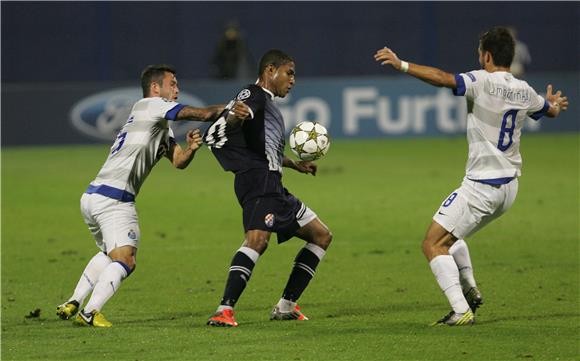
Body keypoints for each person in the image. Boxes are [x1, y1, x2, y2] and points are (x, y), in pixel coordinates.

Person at [374, 26, 568, 326]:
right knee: (452, 236)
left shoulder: (481, 80)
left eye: (480, 53)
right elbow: (549, 110)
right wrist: (554, 103)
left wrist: (402, 64)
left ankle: (460, 309)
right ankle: (470, 290)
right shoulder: (525, 90)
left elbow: (443, 79)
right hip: (509, 189)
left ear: (486, 55)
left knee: (433, 244)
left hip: (483, 186)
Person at [56, 64, 250, 327]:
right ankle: (90, 312)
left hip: (93, 197)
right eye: (173, 83)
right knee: (126, 259)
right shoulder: (151, 105)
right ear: (156, 88)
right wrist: (233, 106)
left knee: (108, 253)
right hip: (115, 200)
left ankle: (74, 301)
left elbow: (178, 162)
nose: (178, 88)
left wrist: (191, 148)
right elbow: (203, 114)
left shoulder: (158, 124)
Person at [203, 49, 333, 327]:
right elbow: (238, 115)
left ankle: (286, 307)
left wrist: (293, 164)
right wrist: (236, 116)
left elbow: (263, 148)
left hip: (273, 183)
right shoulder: (254, 94)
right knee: (257, 241)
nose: (293, 80)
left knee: (321, 235)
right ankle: (224, 310)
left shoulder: (269, 103)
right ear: (270, 70)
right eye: (290, 72)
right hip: (258, 182)